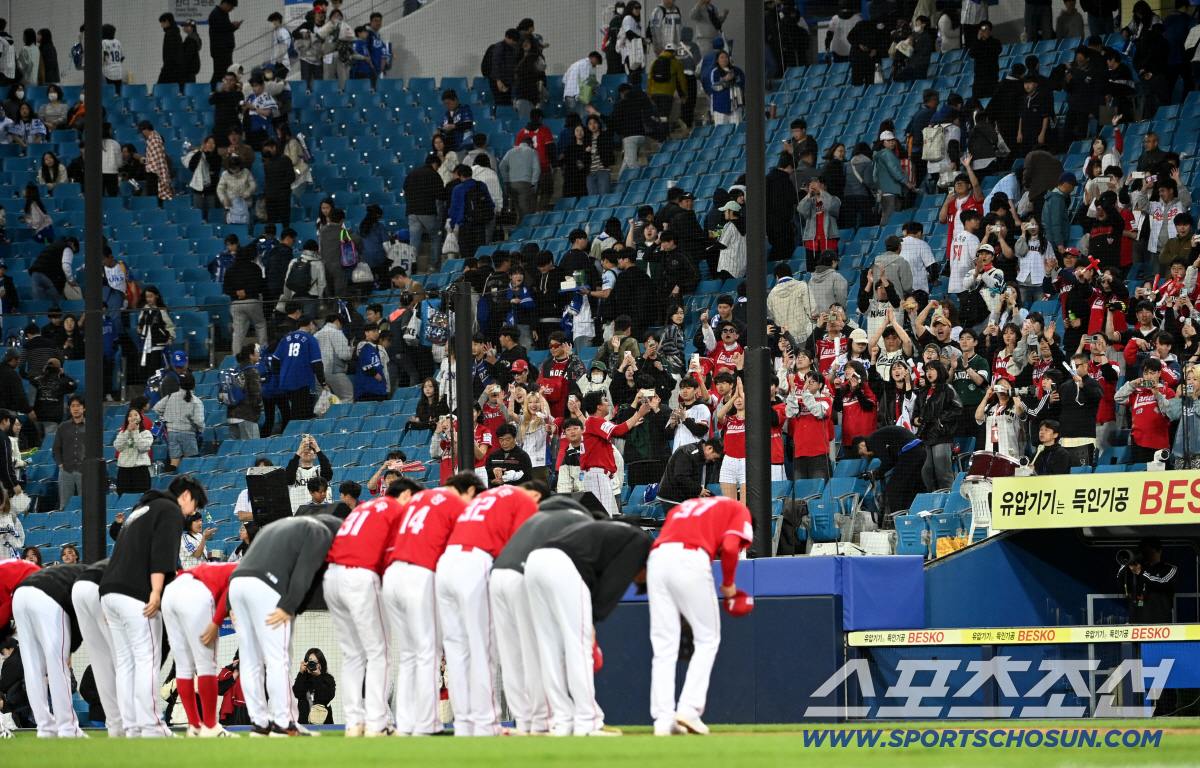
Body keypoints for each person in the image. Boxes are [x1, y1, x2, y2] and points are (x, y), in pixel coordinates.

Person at [99, 475, 208, 738]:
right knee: (146, 660)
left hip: (109, 591)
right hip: (137, 593)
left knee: (125, 663)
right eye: (194, 505)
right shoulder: (169, 510)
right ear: (184, 496)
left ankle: (128, 727)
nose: (192, 513)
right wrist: (157, 592)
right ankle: (151, 726)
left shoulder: (142, 509)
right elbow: (161, 554)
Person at [525, 518, 652, 736]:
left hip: (535, 562)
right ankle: (588, 721)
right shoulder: (641, 543)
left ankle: (562, 721)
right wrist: (591, 622)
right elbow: (612, 585)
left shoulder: (616, 532)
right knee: (579, 647)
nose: (636, 581)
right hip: (563, 565)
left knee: (549, 647)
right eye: (641, 581)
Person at [381, 472, 481, 735]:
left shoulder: (420, 497)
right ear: (469, 490)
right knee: (428, 653)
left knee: (410, 655)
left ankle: (406, 723)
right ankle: (427, 724)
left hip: (392, 575)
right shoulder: (456, 504)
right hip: (420, 574)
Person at [435, 484, 540, 736]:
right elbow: (523, 547)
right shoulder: (523, 500)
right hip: (475, 563)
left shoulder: (484, 499)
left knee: (457, 651)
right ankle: (486, 723)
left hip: (445, 564)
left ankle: (465, 724)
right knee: (484, 648)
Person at [228, 512, 341, 736]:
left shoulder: (277, 525)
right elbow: (305, 573)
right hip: (266, 587)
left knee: (250, 661)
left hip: (236, 584)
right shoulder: (320, 532)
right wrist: (289, 606)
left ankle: (260, 724)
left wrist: (228, 605)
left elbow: (244, 564)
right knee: (278, 658)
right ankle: (283, 722)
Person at [324, 477, 421, 737]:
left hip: (332, 577)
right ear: (406, 495)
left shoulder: (365, 508)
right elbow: (392, 556)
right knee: (380, 653)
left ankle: (355, 722)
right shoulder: (396, 510)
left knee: (352, 655)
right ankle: (378, 722)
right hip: (360, 577)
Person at [648, 496, 750, 735]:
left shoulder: (686, 504)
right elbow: (732, 546)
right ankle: (689, 709)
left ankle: (663, 721)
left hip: (657, 558)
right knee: (707, 638)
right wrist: (728, 584)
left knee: (664, 644)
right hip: (690, 557)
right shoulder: (738, 508)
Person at [1118, 537, 1177, 625]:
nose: (1147, 555)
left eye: (1150, 552)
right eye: (1144, 552)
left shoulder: (1169, 569)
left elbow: (1162, 582)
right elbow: (1120, 582)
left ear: (1159, 552)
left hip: (1160, 625)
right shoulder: (1137, 569)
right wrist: (1127, 563)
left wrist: (1140, 573)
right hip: (1137, 624)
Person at [154, 376, 204, 473]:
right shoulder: (196, 401)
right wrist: (201, 430)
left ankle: (170, 483)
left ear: (179, 385)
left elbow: (157, 408)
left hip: (172, 433)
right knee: (190, 461)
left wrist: (168, 414)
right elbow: (199, 421)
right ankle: (187, 484)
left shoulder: (170, 397)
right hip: (188, 433)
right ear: (194, 385)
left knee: (174, 461)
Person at [50, 394, 84, 509]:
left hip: (85, 471)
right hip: (66, 470)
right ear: (69, 408)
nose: (75, 408)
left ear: (84, 408)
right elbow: (56, 449)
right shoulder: (62, 427)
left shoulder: (91, 427)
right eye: (72, 406)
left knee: (86, 504)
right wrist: (60, 464)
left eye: (78, 405)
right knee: (64, 505)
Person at [113, 405, 153, 495]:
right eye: (130, 415)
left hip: (140, 470)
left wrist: (136, 432)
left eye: (136, 415)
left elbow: (143, 447)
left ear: (140, 418)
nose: (133, 417)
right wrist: (127, 432)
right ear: (127, 419)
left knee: (140, 498)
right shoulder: (122, 433)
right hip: (124, 470)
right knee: (124, 497)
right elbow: (118, 446)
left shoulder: (146, 433)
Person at [208, 0, 241, 90]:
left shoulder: (222, 14)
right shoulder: (216, 14)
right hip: (220, 51)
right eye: (231, 7)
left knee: (224, 73)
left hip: (224, 50)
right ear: (225, 3)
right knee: (220, 73)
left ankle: (222, 92)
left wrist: (232, 27)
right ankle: (214, 91)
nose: (231, 9)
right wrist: (233, 26)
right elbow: (223, 29)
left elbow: (225, 30)